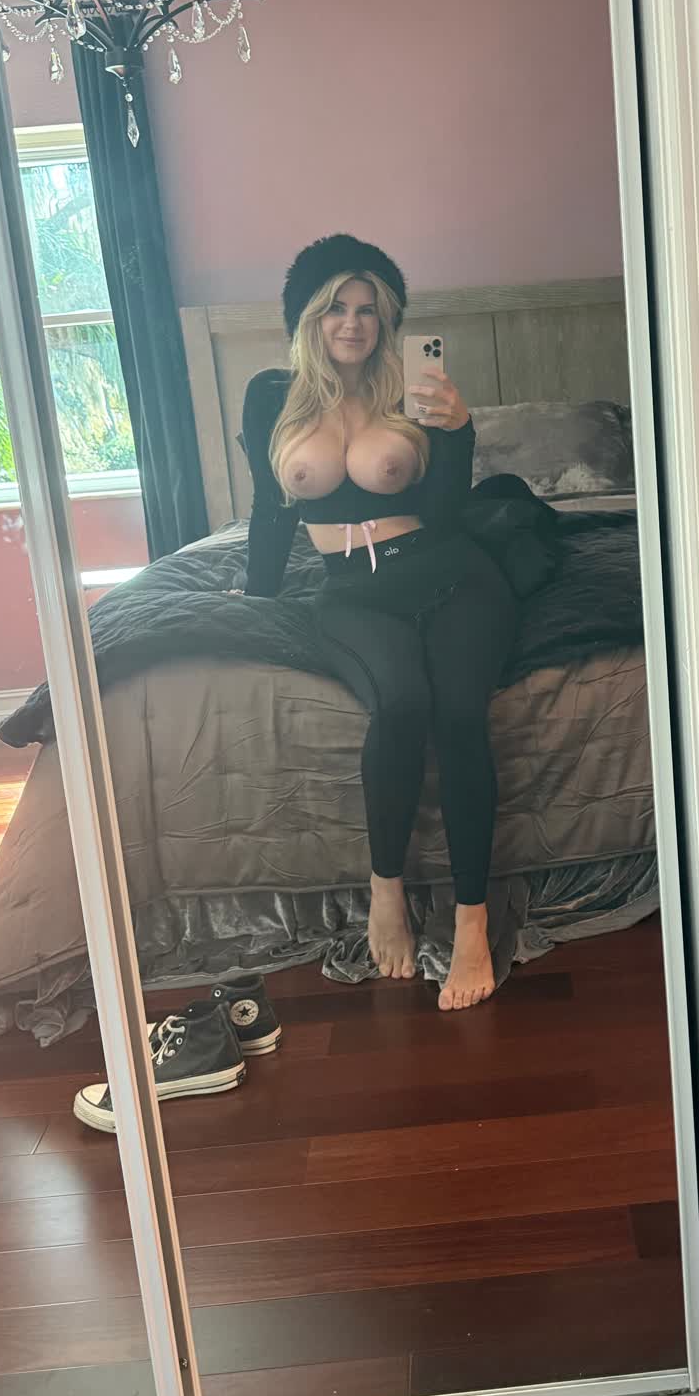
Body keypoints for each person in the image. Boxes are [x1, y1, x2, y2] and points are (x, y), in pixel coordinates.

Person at [233, 233, 519, 1011]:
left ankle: (470, 921)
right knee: (400, 702)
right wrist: (255, 602)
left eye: (368, 310)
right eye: (336, 308)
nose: (352, 323)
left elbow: (446, 515)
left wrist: (457, 433)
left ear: (388, 320)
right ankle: (385, 887)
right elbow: (269, 511)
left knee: (459, 715)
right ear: (309, 318)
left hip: (452, 575)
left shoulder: (411, 392)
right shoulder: (271, 396)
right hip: (351, 593)